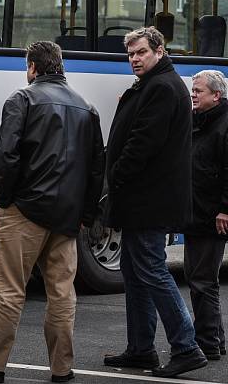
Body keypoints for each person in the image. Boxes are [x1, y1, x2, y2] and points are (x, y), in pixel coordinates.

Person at [0, 41, 104, 383]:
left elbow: (7, 156)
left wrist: (1, 198)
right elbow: (96, 169)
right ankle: (62, 369)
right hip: (66, 217)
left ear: (33, 67)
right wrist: (86, 216)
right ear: (60, 66)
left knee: (8, 289)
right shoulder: (86, 108)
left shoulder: (22, 99)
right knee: (62, 293)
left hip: (23, 211)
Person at [103, 26, 207, 377]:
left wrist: (115, 173)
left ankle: (186, 347)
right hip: (143, 198)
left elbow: (143, 143)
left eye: (141, 52)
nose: (134, 59)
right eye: (131, 54)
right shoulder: (154, 85)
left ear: (159, 51)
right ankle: (141, 349)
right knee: (135, 273)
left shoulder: (162, 87)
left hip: (150, 199)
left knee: (150, 270)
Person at [185, 69, 228, 361]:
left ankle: (208, 342)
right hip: (196, 211)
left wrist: (225, 209)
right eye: (192, 89)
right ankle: (216, 339)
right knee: (197, 277)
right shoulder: (199, 121)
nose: (193, 94)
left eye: (198, 90)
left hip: (213, 214)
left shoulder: (223, 125)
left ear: (217, 94)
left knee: (202, 280)